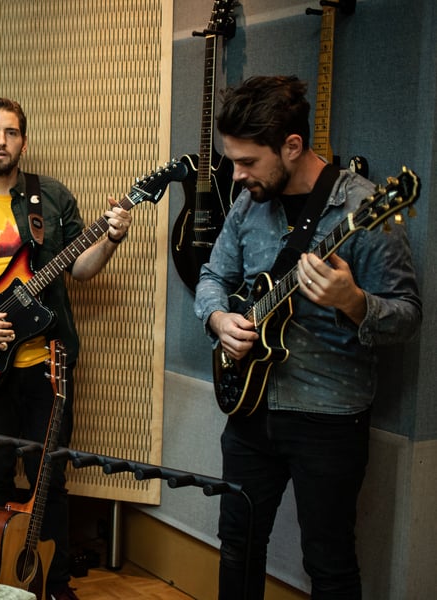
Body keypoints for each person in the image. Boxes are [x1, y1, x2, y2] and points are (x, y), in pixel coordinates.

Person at [194, 75, 421, 599]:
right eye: (233, 160)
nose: (237, 174)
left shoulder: (364, 209)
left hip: (329, 416)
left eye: (248, 162)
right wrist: (219, 320)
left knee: (330, 563)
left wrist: (353, 301)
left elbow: (408, 315)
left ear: (292, 146)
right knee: (237, 547)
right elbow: (212, 276)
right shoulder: (249, 203)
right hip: (249, 410)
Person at [0, 97, 132, 600]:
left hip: (47, 365)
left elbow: (80, 267)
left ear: (23, 142)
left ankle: (52, 584)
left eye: (10, 132)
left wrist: (110, 239)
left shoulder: (50, 198)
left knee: (48, 476)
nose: (1, 141)